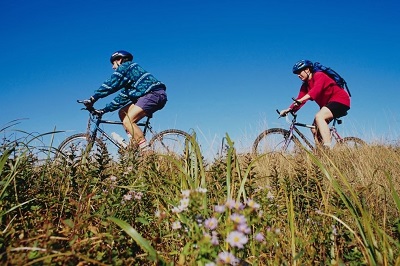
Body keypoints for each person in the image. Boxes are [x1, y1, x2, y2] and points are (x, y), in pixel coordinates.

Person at [83, 50, 167, 152]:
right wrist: (104, 110)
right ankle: (133, 143)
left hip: (153, 94)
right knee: (122, 112)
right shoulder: (130, 79)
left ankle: (147, 154)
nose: (113, 67)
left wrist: (93, 98)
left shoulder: (126, 66)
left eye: (113, 63)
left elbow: (111, 84)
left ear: (120, 60)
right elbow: (122, 97)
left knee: (128, 121)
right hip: (152, 95)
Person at [279, 59, 350, 149]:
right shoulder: (305, 85)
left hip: (340, 100)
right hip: (328, 105)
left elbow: (315, 91)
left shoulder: (319, 75)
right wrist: (289, 109)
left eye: (299, 72)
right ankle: (321, 153)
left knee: (319, 117)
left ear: (307, 69)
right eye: (296, 73)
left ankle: (327, 148)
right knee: (314, 128)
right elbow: (300, 99)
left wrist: (302, 99)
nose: (298, 75)